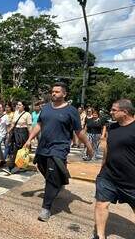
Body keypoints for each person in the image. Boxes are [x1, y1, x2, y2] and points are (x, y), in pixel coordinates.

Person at [23, 82, 93, 222]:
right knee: (42, 167)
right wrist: (29, 139)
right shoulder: (46, 108)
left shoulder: (71, 110)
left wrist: (88, 146)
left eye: (57, 92)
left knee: (51, 176)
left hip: (59, 148)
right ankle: (60, 180)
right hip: (43, 147)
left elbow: (78, 131)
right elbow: (39, 124)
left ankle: (46, 208)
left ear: (64, 94)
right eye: (52, 91)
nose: (53, 93)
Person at [93, 99, 135, 239]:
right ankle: (100, 236)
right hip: (108, 175)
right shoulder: (112, 127)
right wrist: (102, 167)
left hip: (131, 180)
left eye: (113, 110)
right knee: (101, 204)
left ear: (125, 112)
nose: (110, 112)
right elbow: (108, 148)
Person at [3, 101, 32, 174]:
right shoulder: (16, 113)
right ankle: (23, 165)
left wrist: (30, 138)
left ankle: (10, 167)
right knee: (22, 149)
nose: (18, 106)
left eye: (19, 105)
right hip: (16, 131)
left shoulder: (27, 114)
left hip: (23, 132)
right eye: (17, 105)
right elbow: (13, 123)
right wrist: (9, 130)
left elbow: (29, 127)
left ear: (24, 106)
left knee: (17, 149)